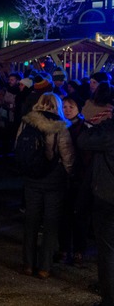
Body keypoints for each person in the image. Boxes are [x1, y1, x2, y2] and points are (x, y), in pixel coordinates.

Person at [16, 92, 74, 279]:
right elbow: (67, 157)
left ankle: (27, 263)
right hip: (53, 179)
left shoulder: (27, 122)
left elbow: (18, 145)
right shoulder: (61, 127)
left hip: (32, 177)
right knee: (50, 223)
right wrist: (70, 175)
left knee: (31, 220)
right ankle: (44, 267)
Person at [77, 110, 114, 306]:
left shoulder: (108, 132)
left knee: (107, 251)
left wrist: (97, 124)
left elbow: (83, 140)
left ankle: (109, 298)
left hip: (108, 198)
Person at [57, 96, 92, 267]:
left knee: (80, 216)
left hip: (80, 180)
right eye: (64, 106)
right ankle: (64, 249)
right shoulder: (60, 126)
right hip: (64, 179)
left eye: (71, 106)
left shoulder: (84, 128)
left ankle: (79, 250)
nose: (67, 109)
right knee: (64, 215)